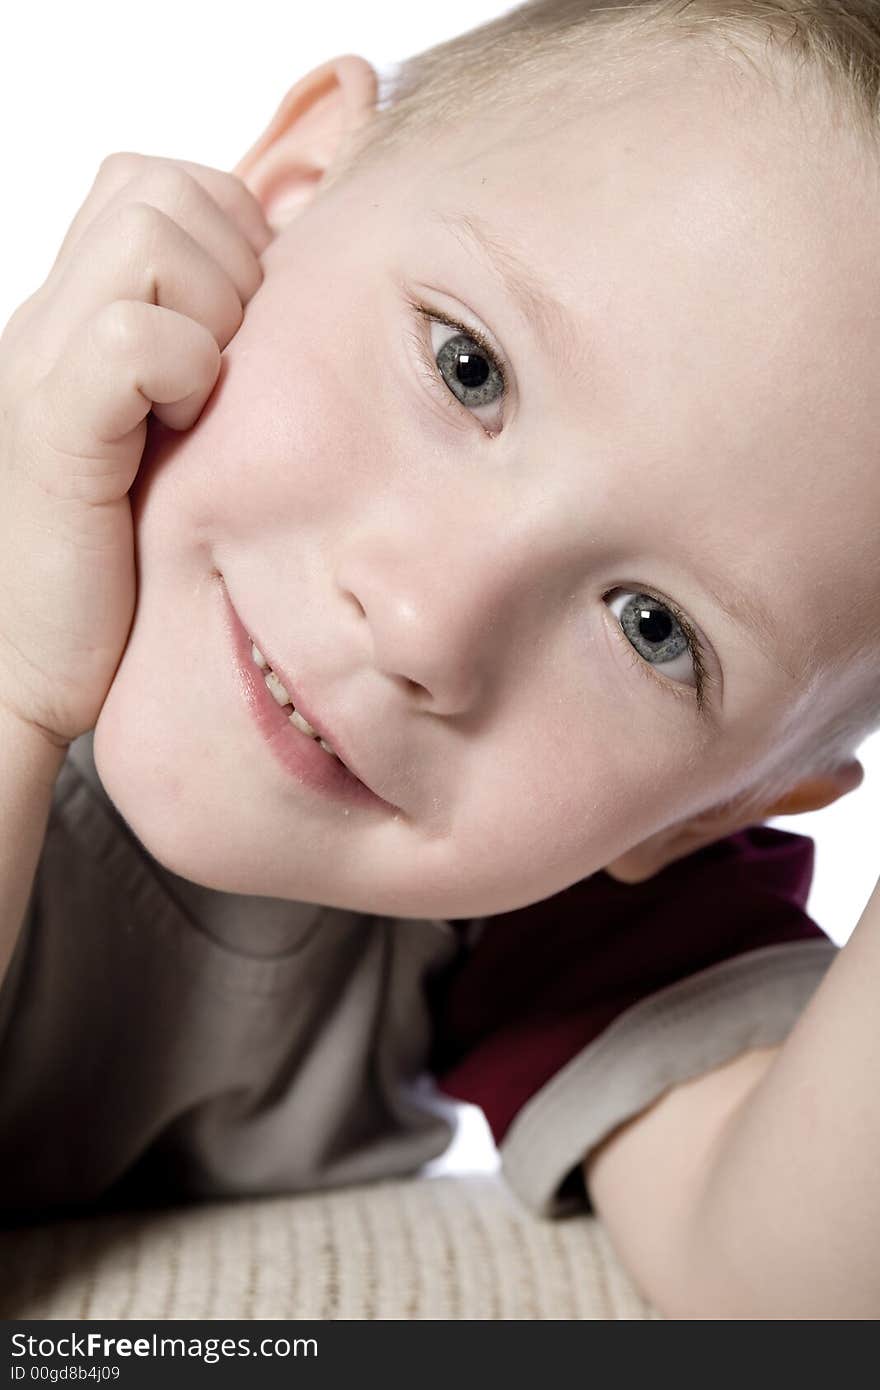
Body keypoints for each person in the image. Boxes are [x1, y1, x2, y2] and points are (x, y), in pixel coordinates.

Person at [1, 0, 878, 1319]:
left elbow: (789, 1282)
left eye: (654, 629)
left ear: (714, 814)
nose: (426, 625)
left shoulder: (561, 901)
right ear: (285, 198)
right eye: (469, 368)